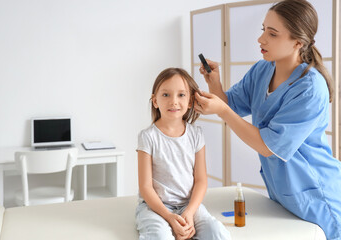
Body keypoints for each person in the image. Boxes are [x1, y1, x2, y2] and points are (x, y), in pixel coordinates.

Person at [194, 0, 341, 239]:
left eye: (272, 34)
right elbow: (232, 104)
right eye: (263, 30)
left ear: (298, 42)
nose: (261, 39)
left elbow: (268, 146)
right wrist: (215, 84)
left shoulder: (310, 88)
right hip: (283, 195)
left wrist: (221, 110)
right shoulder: (262, 70)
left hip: (317, 196)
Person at [136, 68, 231, 240]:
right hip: (156, 208)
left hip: (189, 205)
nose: (174, 101)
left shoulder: (196, 134)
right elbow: (145, 187)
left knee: (217, 233)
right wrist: (170, 218)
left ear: (190, 102)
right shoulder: (147, 137)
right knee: (160, 236)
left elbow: (201, 180)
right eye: (166, 95)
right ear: (155, 101)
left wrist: (189, 213)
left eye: (181, 95)